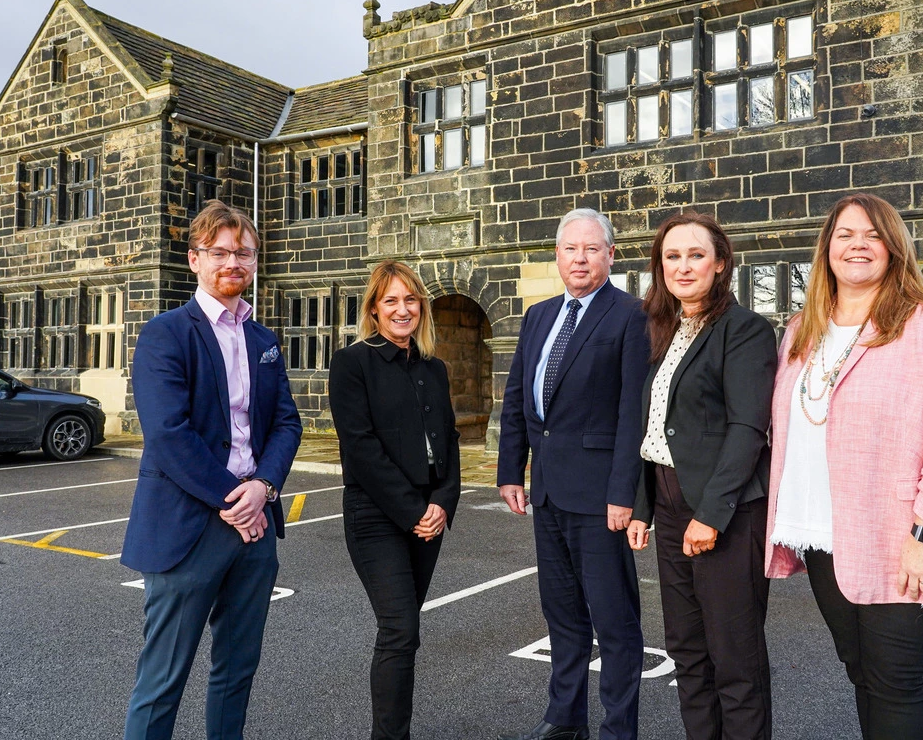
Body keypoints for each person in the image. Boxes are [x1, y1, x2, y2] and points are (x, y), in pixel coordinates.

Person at [764, 194, 923, 739]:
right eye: (845, 234)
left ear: (894, 249)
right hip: (821, 535)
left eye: (872, 235)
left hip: (899, 541)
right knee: (860, 673)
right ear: (826, 249)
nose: (858, 245)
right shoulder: (801, 330)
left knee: (894, 682)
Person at [122, 200, 302, 739]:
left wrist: (264, 487)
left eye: (244, 253)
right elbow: (169, 437)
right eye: (220, 252)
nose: (234, 262)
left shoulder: (263, 339)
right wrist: (238, 499)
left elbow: (287, 424)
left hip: (255, 529)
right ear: (195, 259)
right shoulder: (166, 334)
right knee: (162, 681)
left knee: (237, 673)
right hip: (189, 526)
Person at [497, 208, 651, 740]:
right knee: (562, 616)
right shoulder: (539, 315)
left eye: (591, 248)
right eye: (570, 249)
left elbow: (634, 411)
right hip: (547, 492)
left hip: (600, 497)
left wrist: (624, 493)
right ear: (557, 255)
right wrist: (510, 470)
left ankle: (617, 728)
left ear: (611, 254)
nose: (580, 258)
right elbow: (519, 397)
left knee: (614, 622)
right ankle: (565, 719)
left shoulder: (631, 315)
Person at [628, 212, 776, 740]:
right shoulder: (663, 330)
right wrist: (643, 507)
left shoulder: (746, 330)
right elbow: (655, 427)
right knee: (687, 651)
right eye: (672, 256)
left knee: (734, 658)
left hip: (725, 512)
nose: (683, 266)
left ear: (720, 264)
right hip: (668, 506)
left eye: (695, 255)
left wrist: (711, 516)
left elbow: (746, 428)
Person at [329, 260, 461, 740]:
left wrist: (443, 503)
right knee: (400, 629)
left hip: (429, 515)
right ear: (374, 309)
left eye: (411, 300)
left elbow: (448, 441)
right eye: (391, 301)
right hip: (377, 516)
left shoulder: (435, 367)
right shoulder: (352, 363)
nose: (402, 309)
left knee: (405, 635)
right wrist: (413, 511)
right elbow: (360, 449)